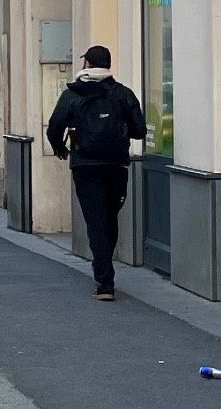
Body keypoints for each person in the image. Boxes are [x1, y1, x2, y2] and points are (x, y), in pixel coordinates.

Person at [47, 45, 147, 301]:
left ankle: (104, 281)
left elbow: (54, 127)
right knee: (110, 216)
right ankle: (106, 268)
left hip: (85, 165)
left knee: (95, 219)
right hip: (116, 165)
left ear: (88, 64)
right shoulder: (123, 94)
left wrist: (61, 149)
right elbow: (140, 130)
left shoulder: (73, 94)